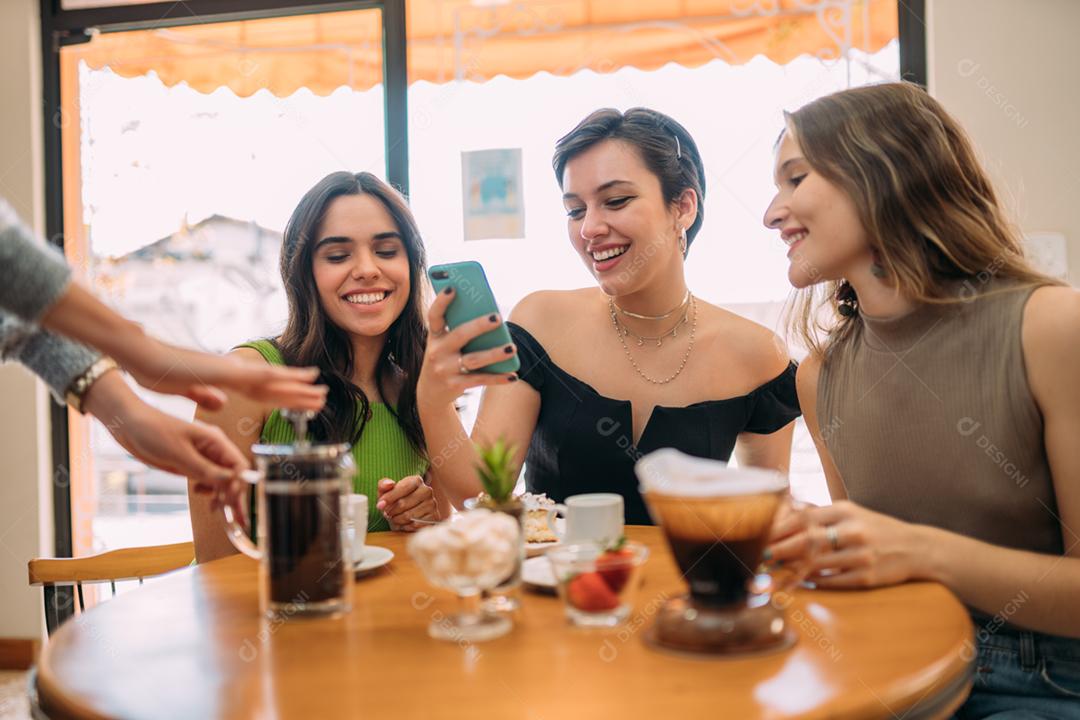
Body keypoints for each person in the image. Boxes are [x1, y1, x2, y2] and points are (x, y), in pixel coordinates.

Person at [762, 82, 1080, 715]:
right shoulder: (819, 375)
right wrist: (814, 546)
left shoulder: (1050, 327)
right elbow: (864, 557)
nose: (772, 213)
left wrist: (921, 552)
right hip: (887, 659)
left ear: (885, 172)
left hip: (1042, 681)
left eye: (796, 179)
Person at [418, 107, 800, 523]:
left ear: (684, 207)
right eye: (575, 210)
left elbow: (769, 517)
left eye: (615, 201)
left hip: (684, 586)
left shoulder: (758, 354)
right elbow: (479, 494)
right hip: (556, 582)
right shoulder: (540, 321)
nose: (590, 228)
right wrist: (433, 401)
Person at [188, 172, 449, 563]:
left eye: (387, 251)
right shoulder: (248, 378)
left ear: (412, 266)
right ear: (304, 273)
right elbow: (215, 564)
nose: (366, 269)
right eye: (338, 256)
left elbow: (439, 537)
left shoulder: (423, 390)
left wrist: (421, 517)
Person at [0, 197, 326, 489]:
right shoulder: (260, 360)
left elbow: (20, 324)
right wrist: (140, 351)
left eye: (381, 250)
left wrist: (125, 410)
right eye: (336, 255)